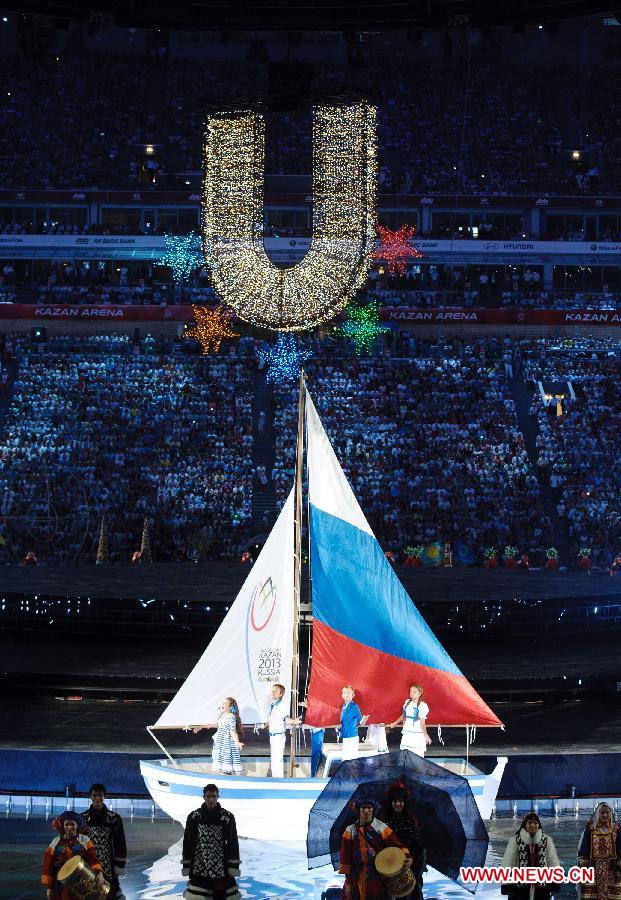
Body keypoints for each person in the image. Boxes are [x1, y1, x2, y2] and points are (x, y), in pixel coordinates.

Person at [339, 797, 412, 899]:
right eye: (363, 808)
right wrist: (348, 882)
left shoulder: (381, 827)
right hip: (357, 876)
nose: (366, 811)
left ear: (373, 809)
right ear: (358, 809)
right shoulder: (350, 830)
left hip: (379, 876)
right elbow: (345, 858)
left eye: (369, 808)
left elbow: (396, 844)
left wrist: (407, 856)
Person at [182, 784, 241, 900]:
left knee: (220, 896)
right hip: (200, 865)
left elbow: (233, 842)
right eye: (208, 796)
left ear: (218, 797)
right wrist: (187, 864)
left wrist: (233, 866)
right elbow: (188, 842)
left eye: (214, 796)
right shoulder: (194, 817)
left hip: (221, 867)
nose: (211, 800)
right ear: (204, 797)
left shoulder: (227, 817)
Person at [41, 811, 104, 899]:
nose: (69, 827)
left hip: (82, 882)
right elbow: (48, 863)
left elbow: (92, 858)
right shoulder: (55, 842)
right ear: (63, 825)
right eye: (66, 824)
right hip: (60, 885)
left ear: (77, 825)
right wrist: (49, 887)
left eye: (72, 824)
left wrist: (99, 873)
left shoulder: (84, 840)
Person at [500, 812, 561, 900]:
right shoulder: (516, 841)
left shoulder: (546, 840)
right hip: (520, 887)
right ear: (525, 824)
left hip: (541, 886)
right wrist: (507, 884)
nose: (533, 825)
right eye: (530, 822)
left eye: (535, 823)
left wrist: (555, 881)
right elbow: (508, 862)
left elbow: (552, 861)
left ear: (539, 825)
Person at [380, 783, 426, 900]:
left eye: (401, 801)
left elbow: (419, 844)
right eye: (395, 801)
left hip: (411, 864)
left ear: (405, 802)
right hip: (390, 865)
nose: (398, 804)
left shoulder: (412, 820)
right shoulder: (383, 820)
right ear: (391, 803)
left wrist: (416, 864)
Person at [82, 783, 127, 899]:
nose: (97, 798)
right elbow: (79, 844)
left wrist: (120, 866)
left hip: (109, 865)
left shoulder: (114, 818)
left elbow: (120, 843)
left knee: (109, 894)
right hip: (88, 864)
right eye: (94, 795)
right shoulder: (83, 818)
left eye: (100, 795)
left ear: (104, 796)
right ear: (90, 797)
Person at [577, 803, 621, 900]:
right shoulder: (590, 829)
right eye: (602, 813)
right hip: (593, 869)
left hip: (611, 869)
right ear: (598, 814)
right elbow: (584, 850)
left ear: (610, 813)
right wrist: (584, 869)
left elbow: (620, 849)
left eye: (607, 812)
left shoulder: (616, 829)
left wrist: (619, 868)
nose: (605, 815)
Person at [264, 683, 300, 778]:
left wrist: (294, 721)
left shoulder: (282, 706)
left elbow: (286, 719)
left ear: (281, 694)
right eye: (272, 690)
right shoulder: (273, 705)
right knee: (274, 759)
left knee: (277, 759)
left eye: (276, 691)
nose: (273, 692)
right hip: (272, 735)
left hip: (278, 736)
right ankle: (275, 778)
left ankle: (278, 779)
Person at [389, 685, 431, 757]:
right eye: (411, 691)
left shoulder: (423, 706)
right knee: (405, 753)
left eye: (414, 692)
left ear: (419, 693)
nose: (411, 693)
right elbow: (403, 716)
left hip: (417, 733)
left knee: (417, 754)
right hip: (407, 732)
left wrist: (426, 736)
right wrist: (395, 723)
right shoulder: (407, 702)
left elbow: (422, 723)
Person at [211, 697, 244, 775]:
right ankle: (224, 779)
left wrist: (237, 742)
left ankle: (228, 780)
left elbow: (233, 731)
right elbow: (218, 726)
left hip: (226, 744)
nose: (222, 705)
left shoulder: (231, 716)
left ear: (230, 707)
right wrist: (199, 728)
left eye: (224, 703)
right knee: (221, 767)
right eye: (222, 703)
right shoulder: (222, 716)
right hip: (220, 744)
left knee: (226, 766)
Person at [339, 686, 368, 761]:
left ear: (353, 695)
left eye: (349, 692)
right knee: (346, 760)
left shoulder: (354, 706)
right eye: (345, 692)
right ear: (342, 695)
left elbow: (361, 722)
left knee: (351, 761)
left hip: (352, 737)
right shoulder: (343, 706)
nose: (347, 694)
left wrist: (364, 720)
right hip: (345, 736)